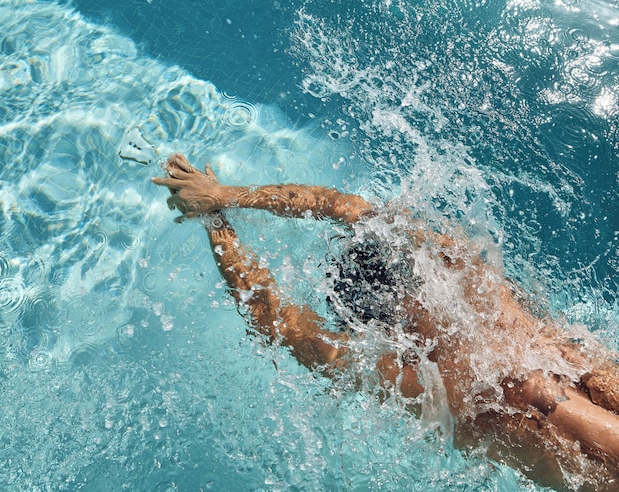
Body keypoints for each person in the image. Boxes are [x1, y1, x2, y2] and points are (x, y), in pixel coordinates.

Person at [152, 154, 619, 490]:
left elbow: (270, 315)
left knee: (528, 390)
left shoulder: (414, 379)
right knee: (535, 387)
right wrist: (224, 198)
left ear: (378, 330)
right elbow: (343, 208)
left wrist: (217, 215)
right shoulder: (470, 281)